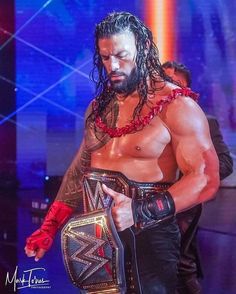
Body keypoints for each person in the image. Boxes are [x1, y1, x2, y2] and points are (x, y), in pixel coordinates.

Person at [25, 12, 220, 293]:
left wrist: (139, 211)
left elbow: (206, 177)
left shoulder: (176, 107)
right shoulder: (99, 109)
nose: (112, 65)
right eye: (105, 58)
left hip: (149, 239)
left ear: (142, 49)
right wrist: (49, 226)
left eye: (121, 55)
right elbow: (80, 169)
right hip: (96, 239)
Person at [162, 60, 233, 294]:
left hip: (183, 205)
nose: (169, 88)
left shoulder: (204, 121)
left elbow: (225, 163)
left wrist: (192, 176)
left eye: (175, 83)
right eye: (165, 82)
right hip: (145, 205)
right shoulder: (148, 122)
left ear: (188, 91)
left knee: (181, 265)